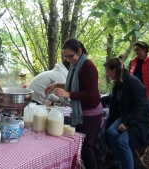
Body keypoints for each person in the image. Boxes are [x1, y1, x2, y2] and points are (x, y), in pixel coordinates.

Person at [45, 38, 102, 169]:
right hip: (81, 111)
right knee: (80, 145)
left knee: (86, 148)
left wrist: (68, 94)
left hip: (91, 113)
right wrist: (56, 85)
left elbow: (90, 94)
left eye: (71, 56)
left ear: (80, 51)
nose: (69, 60)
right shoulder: (75, 65)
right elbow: (74, 85)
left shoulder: (88, 67)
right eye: (66, 57)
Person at [101, 57, 149, 169]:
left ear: (115, 69)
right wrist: (96, 99)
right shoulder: (119, 83)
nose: (107, 73)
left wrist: (126, 124)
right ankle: (118, 163)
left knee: (122, 141)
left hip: (139, 120)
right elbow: (113, 98)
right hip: (127, 116)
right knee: (110, 133)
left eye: (108, 71)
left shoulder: (133, 82)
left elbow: (139, 106)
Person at [129, 41, 149, 113]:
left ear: (144, 49)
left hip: (148, 91)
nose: (136, 52)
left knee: (148, 113)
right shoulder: (132, 62)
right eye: (135, 50)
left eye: (138, 49)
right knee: (136, 112)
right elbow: (129, 77)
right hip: (135, 92)